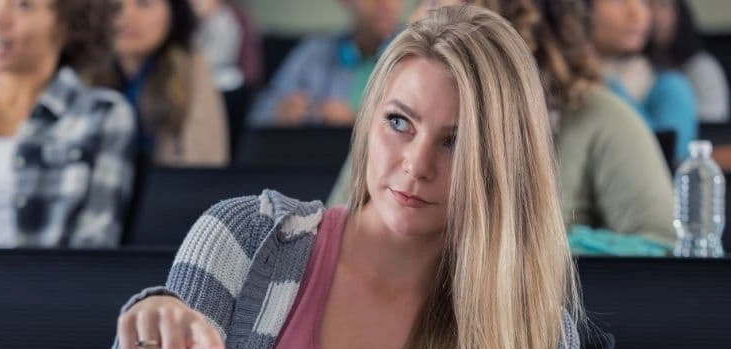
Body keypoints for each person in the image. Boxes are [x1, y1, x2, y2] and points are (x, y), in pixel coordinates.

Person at [94, 5, 581, 349]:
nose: (415, 165)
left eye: (454, 141)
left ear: (503, 160)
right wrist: (144, 335)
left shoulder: (537, 331)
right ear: (367, 122)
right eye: (399, 122)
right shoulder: (241, 236)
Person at [331, 0, 677, 247]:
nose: (421, 14)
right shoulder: (399, 110)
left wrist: (530, 250)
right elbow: (341, 223)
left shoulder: (601, 118)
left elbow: (663, 243)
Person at [0, 0, 136, 248]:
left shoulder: (101, 115)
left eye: (23, 5)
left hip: (46, 285)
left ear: (67, 25)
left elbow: (94, 246)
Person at [247, 0, 403, 127]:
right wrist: (281, 111)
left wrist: (357, 121)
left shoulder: (415, 54)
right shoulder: (314, 52)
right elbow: (257, 115)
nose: (386, 3)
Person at [113, 0, 229, 166]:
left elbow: (203, 169)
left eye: (144, 4)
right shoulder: (80, 70)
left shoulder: (191, 68)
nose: (127, 16)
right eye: (114, 5)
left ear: (174, 11)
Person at [588, 0, 697, 160]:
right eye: (617, 1)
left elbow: (662, 163)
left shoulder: (670, 86)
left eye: (643, 2)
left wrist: (608, 84)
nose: (636, 13)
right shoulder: (554, 79)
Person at [647, 0, 729, 123]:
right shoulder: (632, 68)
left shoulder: (701, 68)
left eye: (663, 5)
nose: (654, 16)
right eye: (646, 6)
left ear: (680, 13)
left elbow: (712, 129)